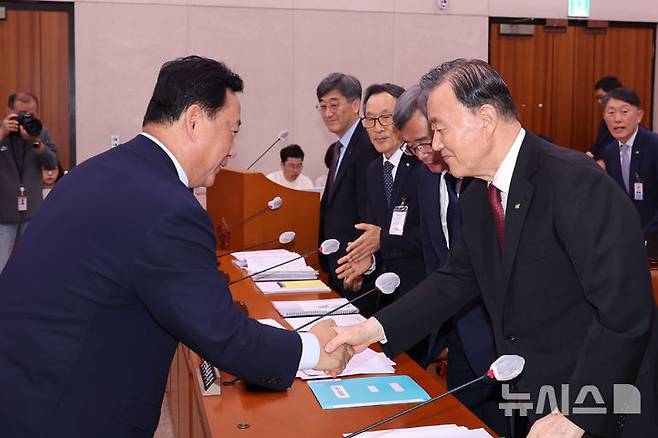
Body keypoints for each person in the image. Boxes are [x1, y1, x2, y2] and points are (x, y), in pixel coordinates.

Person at [0, 56, 352, 438]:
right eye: (232, 130)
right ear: (195, 120)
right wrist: (313, 348)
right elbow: (221, 335)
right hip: (66, 413)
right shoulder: (166, 205)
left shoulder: (100, 170)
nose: (233, 149)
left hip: (24, 391)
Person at [326, 59, 656, 437]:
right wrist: (371, 330)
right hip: (534, 399)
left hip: (601, 403)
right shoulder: (480, 198)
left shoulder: (574, 183)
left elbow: (626, 313)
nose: (434, 145)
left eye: (439, 129)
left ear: (484, 118)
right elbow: (455, 280)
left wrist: (578, 411)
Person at [391, 84, 504, 434]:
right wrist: (437, 336)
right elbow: (436, 263)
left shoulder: (482, 181)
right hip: (458, 336)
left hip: (498, 342)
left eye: (428, 140)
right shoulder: (427, 180)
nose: (426, 153)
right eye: (413, 147)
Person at [338, 82, 425, 327]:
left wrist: (382, 240)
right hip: (385, 296)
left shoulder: (424, 166)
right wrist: (367, 262)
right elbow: (376, 231)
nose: (377, 128)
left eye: (386, 118)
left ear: (404, 117)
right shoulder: (375, 170)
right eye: (371, 119)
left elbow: (432, 237)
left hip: (419, 293)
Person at [316, 72, 379, 304]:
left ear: (355, 104)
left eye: (334, 105)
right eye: (322, 106)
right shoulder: (340, 147)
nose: (327, 113)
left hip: (355, 268)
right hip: (339, 263)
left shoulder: (367, 144)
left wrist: (361, 262)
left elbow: (369, 212)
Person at [0, 91, 58, 272]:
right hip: (3, 214)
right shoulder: (1, 131)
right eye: (22, 114)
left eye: (31, 115)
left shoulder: (40, 133)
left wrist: (35, 142)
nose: (26, 119)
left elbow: (51, 163)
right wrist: (2, 132)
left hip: (32, 212)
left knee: (34, 264)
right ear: (9, 111)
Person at [599, 87, 658, 236]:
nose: (617, 119)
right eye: (611, 113)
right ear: (604, 117)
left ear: (639, 115)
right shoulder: (609, 152)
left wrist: (648, 236)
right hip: (626, 237)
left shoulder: (654, 146)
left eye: (624, 112)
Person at [589, 76, 622, 160]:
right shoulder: (606, 119)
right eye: (597, 98)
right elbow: (598, 146)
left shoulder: (626, 119)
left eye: (601, 97)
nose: (599, 101)